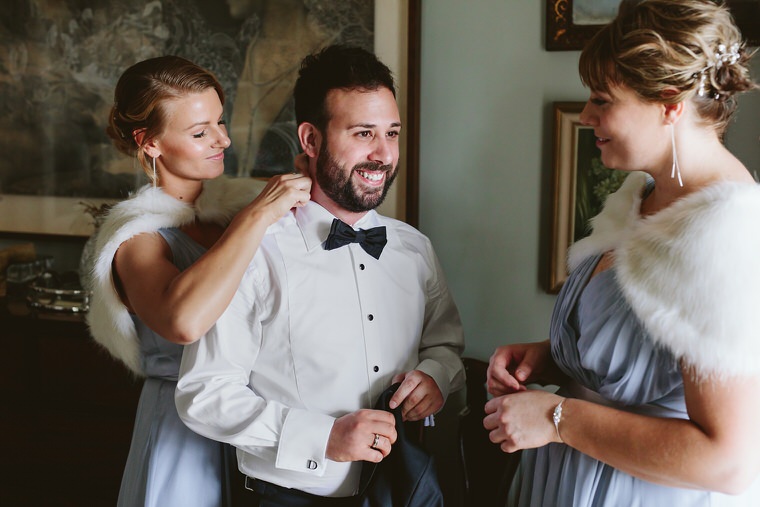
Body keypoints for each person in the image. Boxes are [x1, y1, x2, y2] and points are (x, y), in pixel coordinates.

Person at [484, 1, 760, 506]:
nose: (587, 115)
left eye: (601, 99)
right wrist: (553, 359)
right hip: (575, 476)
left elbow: (730, 461)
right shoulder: (641, 195)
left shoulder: (727, 234)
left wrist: (556, 417)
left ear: (669, 101)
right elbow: (654, 357)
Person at [175, 44, 466, 505]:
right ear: (310, 141)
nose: (383, 154)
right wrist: (321, 438)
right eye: (363, 133)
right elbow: (203, 394)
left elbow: (445, 347)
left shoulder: (414, 249)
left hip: (404, 489)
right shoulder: (254, 252)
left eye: (391, 133)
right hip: (287, 495)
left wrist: (434, 376)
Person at [86, 55, 312, 507]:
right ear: (149, 143)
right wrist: (258, 215)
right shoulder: (135, 240)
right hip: (182, 435)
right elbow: (184, 322)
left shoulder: (232, 211)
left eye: (221, 122)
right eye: (199, 132)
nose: (223, 139)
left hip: (258, 422)